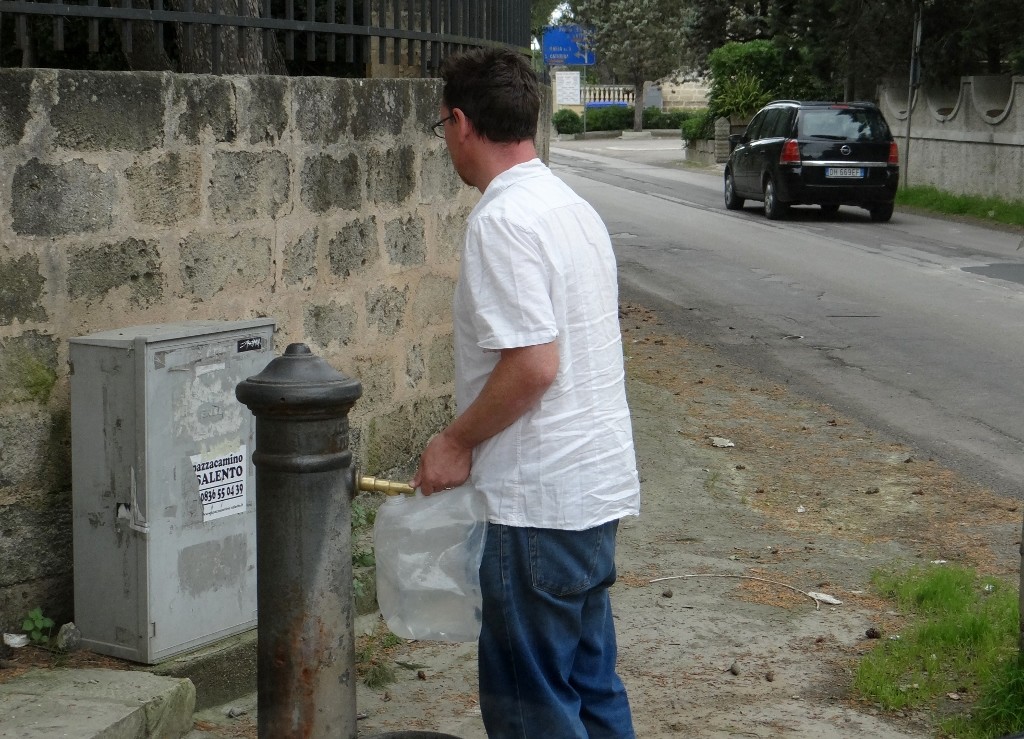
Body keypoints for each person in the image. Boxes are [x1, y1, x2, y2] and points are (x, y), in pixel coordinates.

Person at [411, 47, 641, 739]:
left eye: (443, 126)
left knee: (532, 707)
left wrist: (454, 441)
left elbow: (535, 365)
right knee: (590, 686)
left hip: (536, 505)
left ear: (459, 123)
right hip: (591, 495)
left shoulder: (503, 221)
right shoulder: (569, 206)